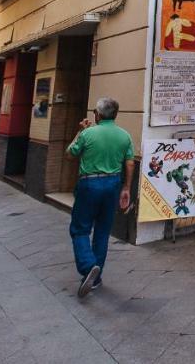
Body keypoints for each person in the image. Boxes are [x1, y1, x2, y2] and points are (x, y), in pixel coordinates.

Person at [67, 97, 135, 298]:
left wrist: (80, 131)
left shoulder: (88, 133)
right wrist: (126, 188)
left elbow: (70, 154)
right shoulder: (125, 135)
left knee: (79, 229)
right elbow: (130, 164)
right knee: (103, 232)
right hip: (113, 183)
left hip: (89, 183)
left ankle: (88, 267)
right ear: (116, 114)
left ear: (97, 114)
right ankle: (95, 279)